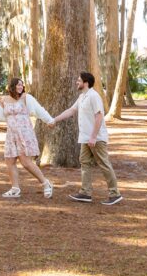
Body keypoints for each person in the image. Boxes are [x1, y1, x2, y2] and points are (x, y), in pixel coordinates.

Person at [52, 71, 123, 206]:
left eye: (79, 80)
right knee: (84, 163)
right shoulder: (82, 97)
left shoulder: (93, 96)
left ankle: (115, 194)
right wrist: (54, 120)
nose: (76, 82)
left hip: (95, 138)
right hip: (85, 138)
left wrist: (94, 137)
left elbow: (99, 116)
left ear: (86, 83)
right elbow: (71, 110)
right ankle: (85, 193)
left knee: (104, 164)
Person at [0, 77, 55, 199]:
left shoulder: (26, 98)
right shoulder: (5, 100)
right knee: (10, 161)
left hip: (24, 133)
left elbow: (39, 110)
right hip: (11, 134)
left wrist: (49, 120)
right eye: (18, 85)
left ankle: (46, 184)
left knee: (26, 162)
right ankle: (15, 188)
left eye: (21, 85)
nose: (20, 87)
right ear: (12, 87)